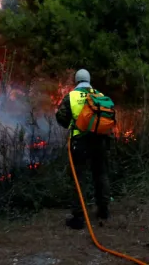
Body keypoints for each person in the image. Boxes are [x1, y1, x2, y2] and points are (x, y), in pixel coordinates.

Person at [55, 68, 112, 229]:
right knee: (101, 174)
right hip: (100, 141)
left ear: (76, 81)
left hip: (80, 142)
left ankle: (79, 217)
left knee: (79, 178)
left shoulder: (71, 96)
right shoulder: (99, 95)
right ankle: (104, 210)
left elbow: (63, 119)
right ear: (89, 80)